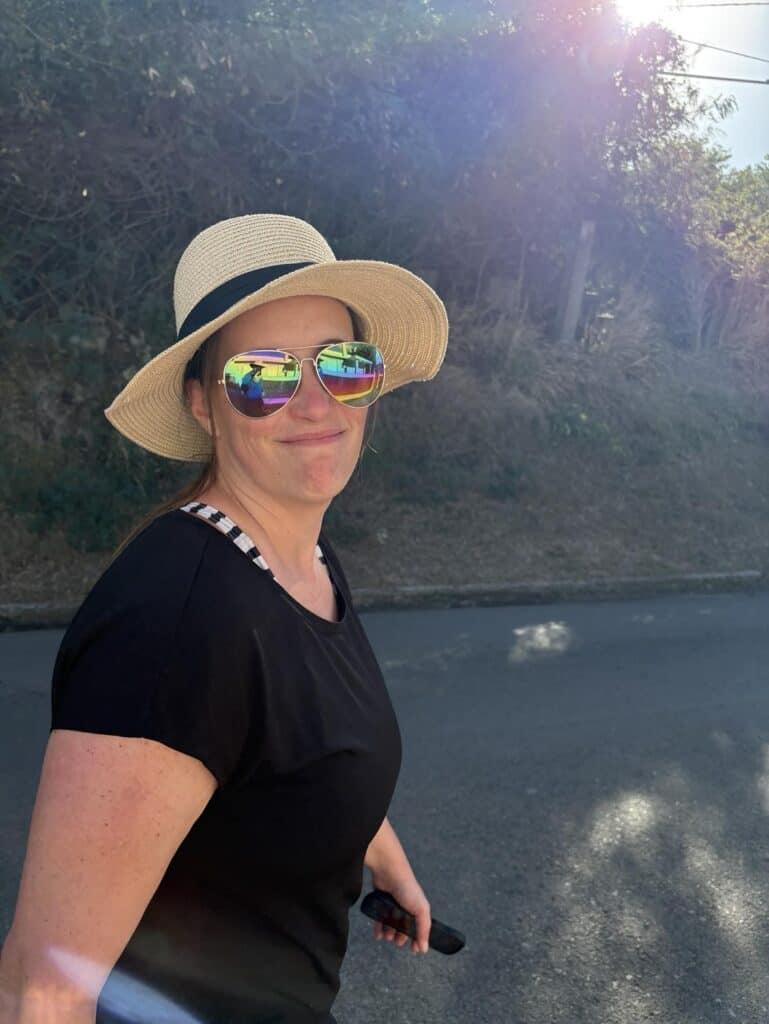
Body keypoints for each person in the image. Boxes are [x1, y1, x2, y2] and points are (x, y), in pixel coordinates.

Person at [0, 213, 449, 1024]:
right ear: (204, 405)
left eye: (343, 366)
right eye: (263, 377)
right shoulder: (173, 628)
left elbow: (302, 739)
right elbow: (42, 988)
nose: (315, 402)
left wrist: (385, 861)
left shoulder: (303, 560)